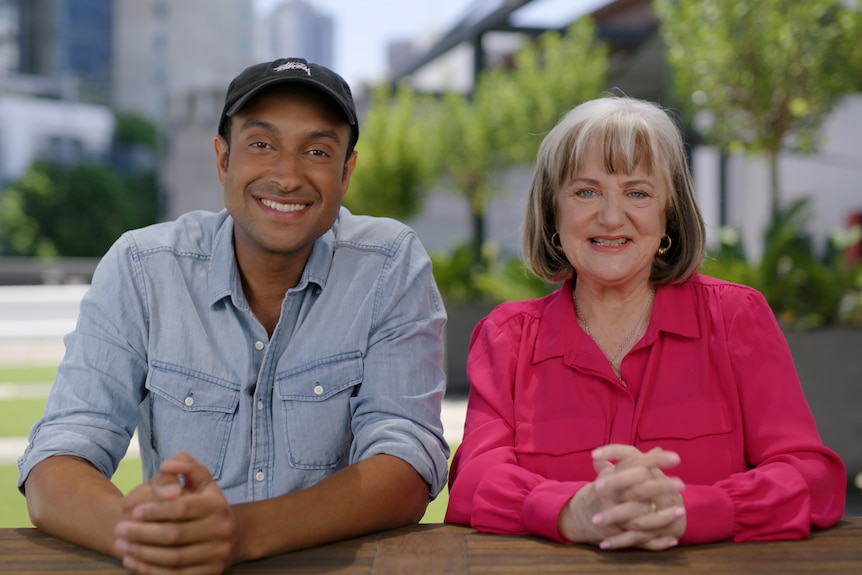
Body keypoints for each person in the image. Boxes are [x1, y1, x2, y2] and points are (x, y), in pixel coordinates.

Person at [18, 57, 450, 573]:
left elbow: (407, 463)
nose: (287, 176)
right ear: (223, 159)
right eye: (261, 145)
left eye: (316, 151)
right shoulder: (142, 268)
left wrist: (239, 533)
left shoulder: (388, 265)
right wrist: (153, 539)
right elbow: (58, 458)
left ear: (346, 172)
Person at [444, 96, 846, 551]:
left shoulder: (736, 317)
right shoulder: (507, 338)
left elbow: (812, 477)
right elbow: (475, 481)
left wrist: (692, 511)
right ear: (553, 210)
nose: (612, 217)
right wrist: (571, 509)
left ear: (668, 212)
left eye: (637, 192)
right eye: (586, 191)